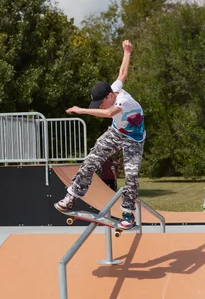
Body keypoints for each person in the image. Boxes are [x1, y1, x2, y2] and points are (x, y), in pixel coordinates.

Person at [55, 39, 145, 229]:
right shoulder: (114, 88)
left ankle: (128, 214)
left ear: (109, 96)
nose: (100, 106)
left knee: (131, 174)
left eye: (101, 102)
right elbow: (123, 73)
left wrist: (82, 110)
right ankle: (72, 195)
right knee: (91, 160)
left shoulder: (124, 101)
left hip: (134, 140)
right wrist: (127, 52)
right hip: (116, 132)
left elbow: (108, 113)